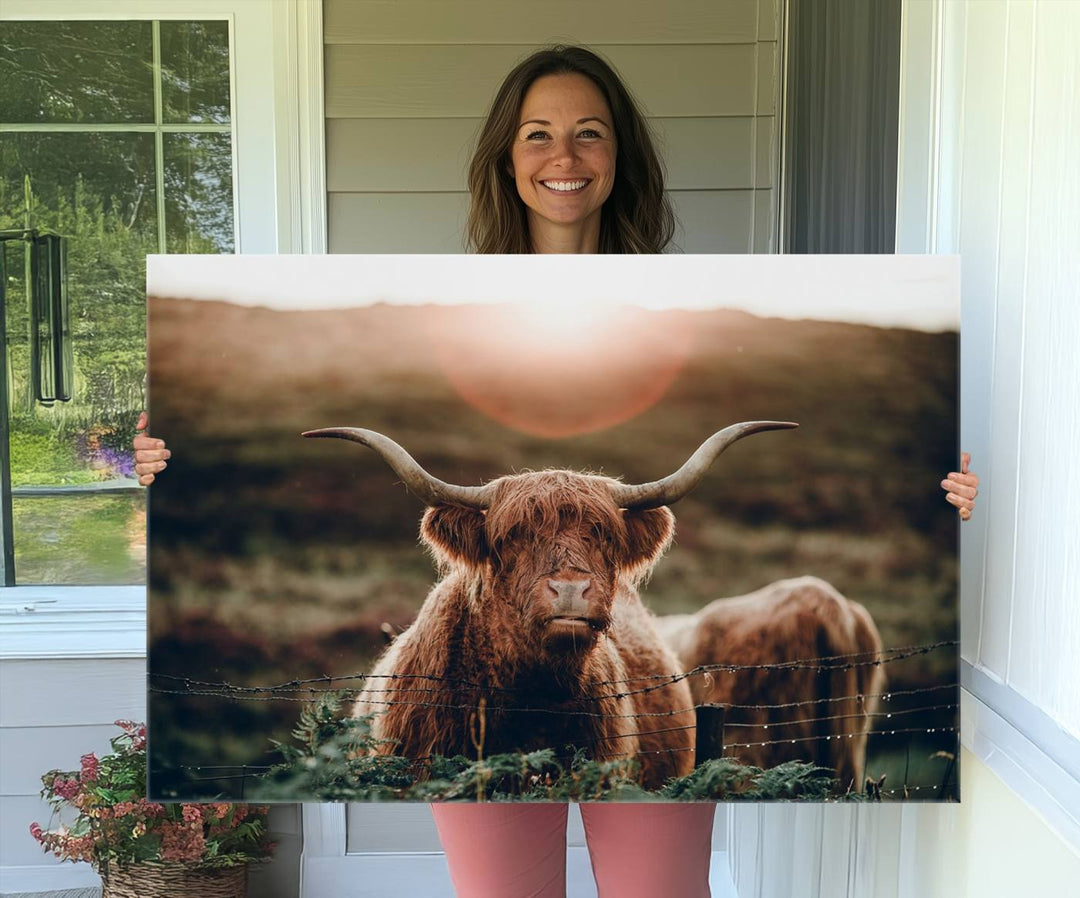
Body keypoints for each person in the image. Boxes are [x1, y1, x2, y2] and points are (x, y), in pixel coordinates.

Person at [135, 45, 979, 898]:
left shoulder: (682, 294)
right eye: (537, 135)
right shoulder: (440, 296)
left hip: (617, 706)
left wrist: (952, 500)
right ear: (507, 157)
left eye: (590, 134)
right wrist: (161, 468)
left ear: (620, 157)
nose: (564, 157)